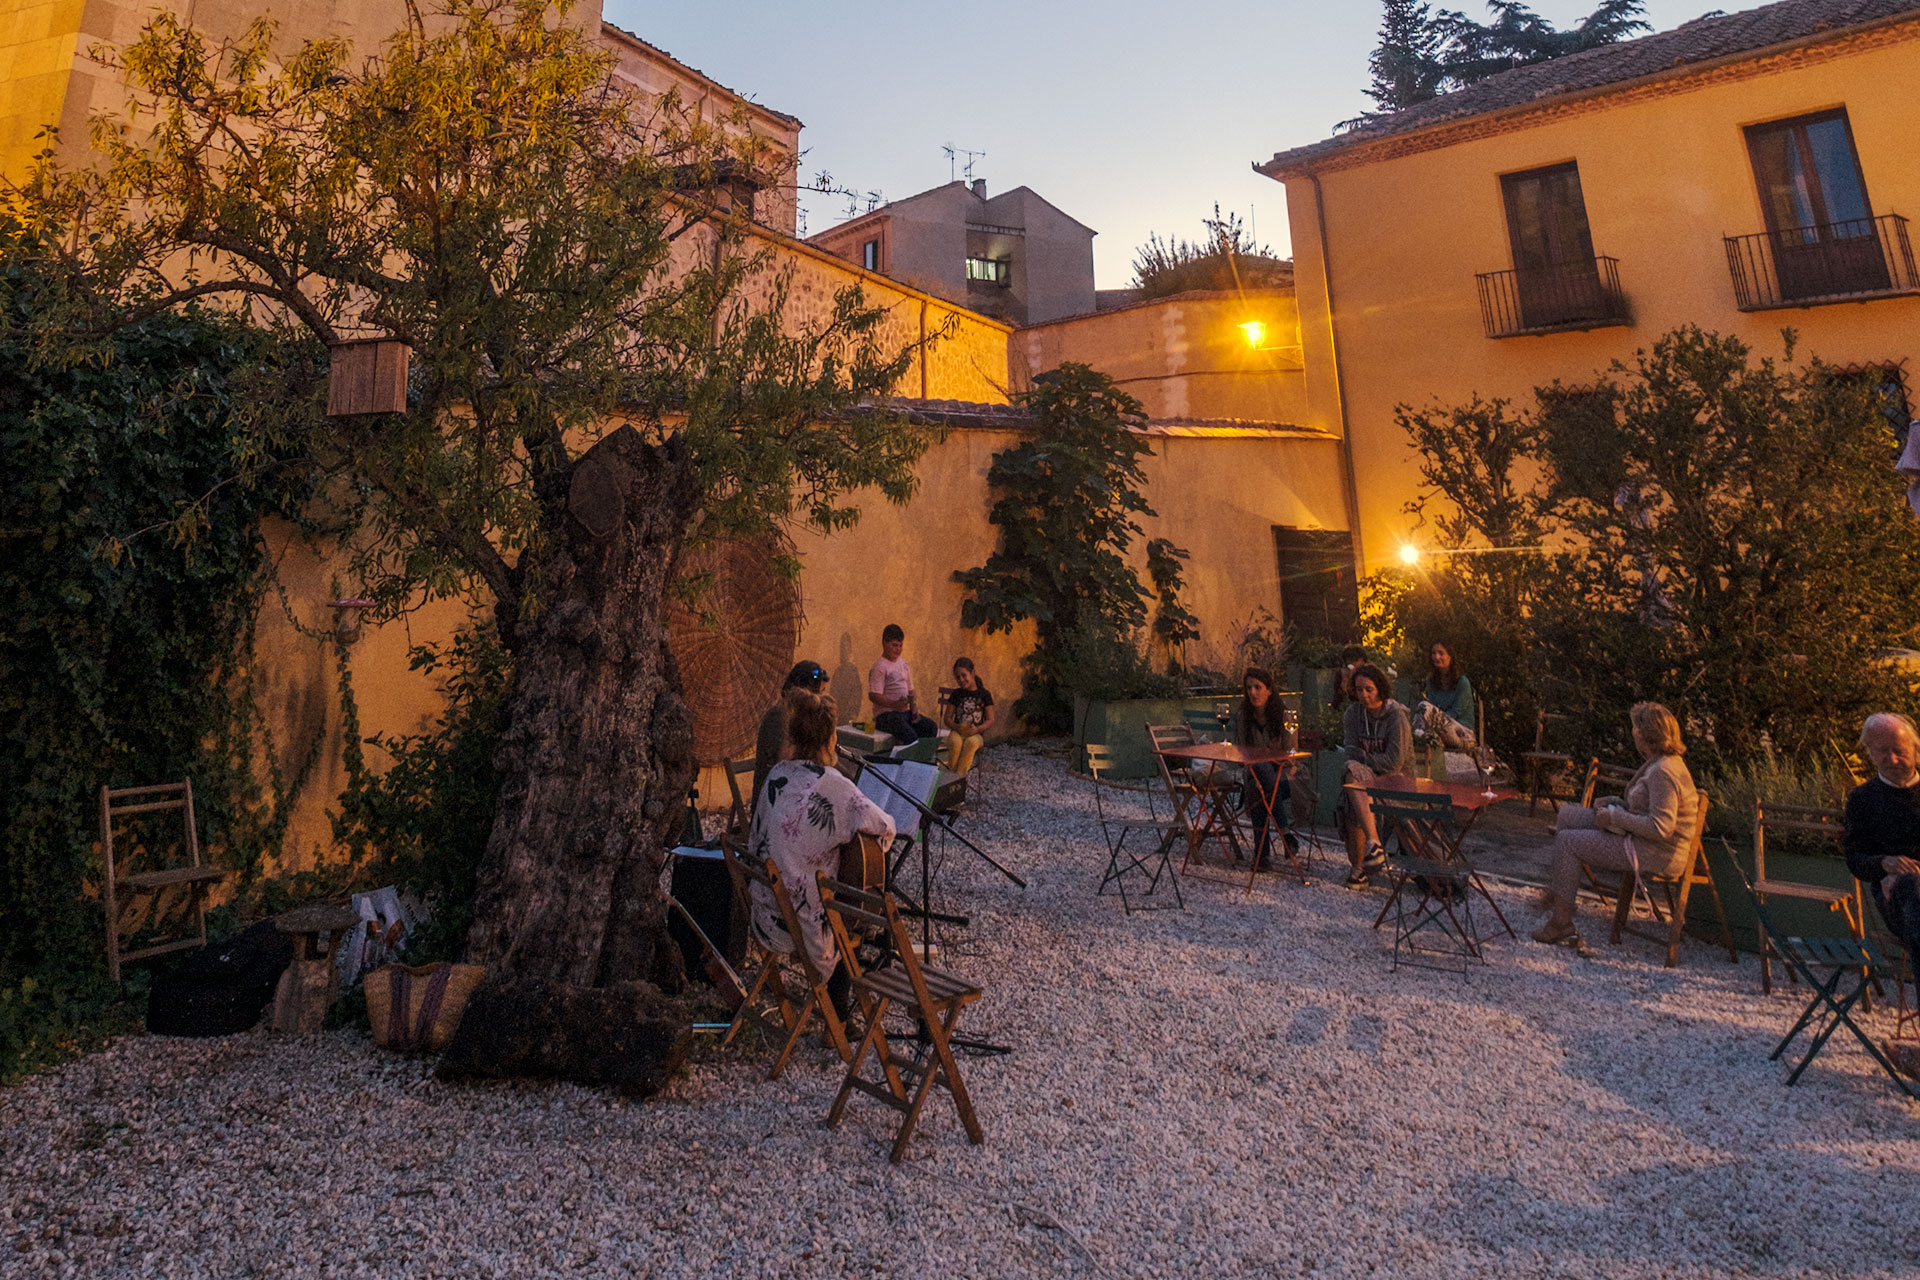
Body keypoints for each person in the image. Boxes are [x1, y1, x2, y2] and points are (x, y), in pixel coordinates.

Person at [747, 690, 896, 1019]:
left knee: (832, 885)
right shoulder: (834, 785)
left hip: (764, 911)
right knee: (850, 913)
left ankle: (833, 1014)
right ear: (831, 739)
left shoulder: (777, 774)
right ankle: (837, 1021)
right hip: (798, 926)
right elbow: (885, 827)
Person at [1532, 702, 1700, 946]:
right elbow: (1644, 807)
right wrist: (1614, 802)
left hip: (1657, 852)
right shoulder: (1657, 761)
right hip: (1640, 840)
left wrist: (1615, 817)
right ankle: (1560, 892)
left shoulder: (1665, 771)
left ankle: (1561, 923)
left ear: (1645, 734)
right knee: (1568, 814)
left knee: (1567, 842)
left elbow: (1662, 828)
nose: (1633, 733)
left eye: (1635, 728)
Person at [1844, 712, 1920, 1074]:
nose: (1891, 758)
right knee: (1909, 890)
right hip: (1897, 907)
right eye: (1881, 752)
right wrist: (1884, 865)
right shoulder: (1862, 799)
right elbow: (1856, 861)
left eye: (1898, 750)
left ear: (1915, 749)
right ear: (1869, 755)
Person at [1338, 663, 1414, 886]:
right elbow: (1349, 750)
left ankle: (1364, 861)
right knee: (1351, 786)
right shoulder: (1353, 713)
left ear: (1379, 689)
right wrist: (1361, 764)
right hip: (1367, 780)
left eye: (1368, 689)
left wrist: (1365, 762)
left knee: (1354, 783)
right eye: (1359, 689)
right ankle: (1368, 853)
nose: (1363, 694)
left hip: (1398, 781)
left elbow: (1394, 762)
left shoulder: (1395, 716)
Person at [1234, 666, 1298, 870]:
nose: (1253, 692)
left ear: (1269, 690)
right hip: (1257, 776)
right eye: (1249, 688)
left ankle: (1261, 857)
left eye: (1258, 687)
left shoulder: (1284, 716)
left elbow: (1291, 755)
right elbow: (1243, 753)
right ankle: (1285, 833)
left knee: (1257, 786)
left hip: (1288, 779)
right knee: (1258, 780)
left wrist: (1267, 758)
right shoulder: (1243, 716)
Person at [752, 659, 828, 809]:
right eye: (820, 693)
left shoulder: (798, 716)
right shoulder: (779, 717)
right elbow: (785, 766)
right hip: (774, 804)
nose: (820, 699)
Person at [869, 623, 936, 745]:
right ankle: (908, 761)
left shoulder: (903, 664)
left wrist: (914, 706)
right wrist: (894, 704)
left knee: (930, 727)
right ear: (884, 643)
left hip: (904, 712)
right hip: (886, 716)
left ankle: (923, 761)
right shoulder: (880, 667)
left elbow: (911, 690)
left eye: (900, 645)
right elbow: (874, 695)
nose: (898, 649)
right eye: (894, 645)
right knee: (910, 735)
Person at [1416, 642, 1478, 753]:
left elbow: (1455, 712)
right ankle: (1422, 738)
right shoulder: (1431, 682)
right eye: (1433, 653)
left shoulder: (1462, 682)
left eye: (1441, 653)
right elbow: (1434, 709)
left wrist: (1437, 724)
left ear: (1450, 656)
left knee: (1424, 706)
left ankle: (1422, 735)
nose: (1436, 657)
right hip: (1442, 730)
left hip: (1462, 734)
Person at [940, 657, 994, 775]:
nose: (961, 680)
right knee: (955, 742)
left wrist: (978, 729)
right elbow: (947, 718)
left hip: (976, 733)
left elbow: (990, 719)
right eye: (958, 677)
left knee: (972, 743)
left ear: (973, 673)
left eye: (964, 675)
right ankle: (951, 776)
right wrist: (956, 726)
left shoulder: (984, 694)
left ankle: (958, 777)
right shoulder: (956, 694)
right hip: (958, 730)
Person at [1329, 644, 1369, 712]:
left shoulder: (1368, 674)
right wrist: (1345, 682)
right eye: (1350, 660)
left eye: (1355, 660)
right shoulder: (1341, 675)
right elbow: (1336, 703)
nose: (1352, 663)